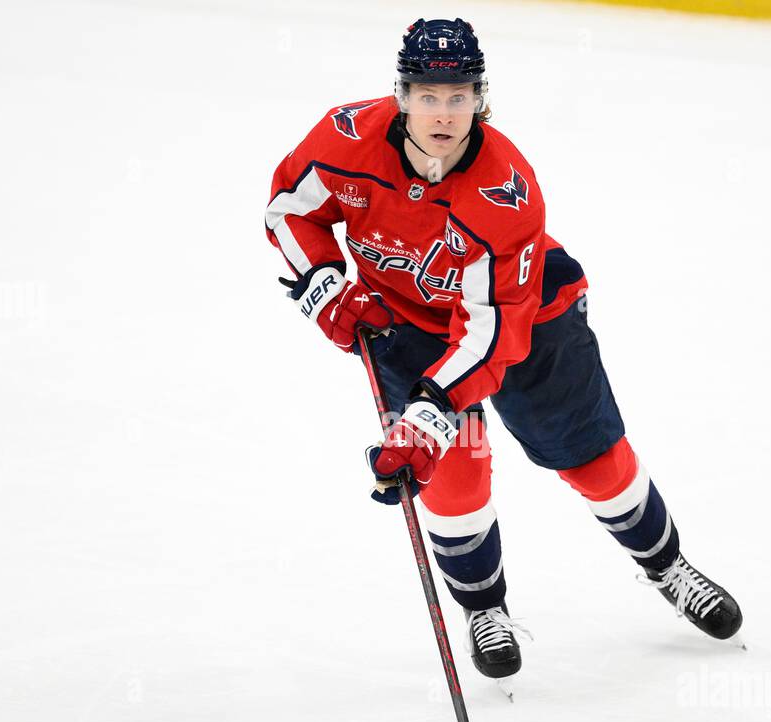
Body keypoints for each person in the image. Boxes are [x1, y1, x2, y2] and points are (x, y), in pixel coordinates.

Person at [265, 18, 742, 681]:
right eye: (428, 95)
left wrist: (430, 411)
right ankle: (484, 609)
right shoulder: (344, 138)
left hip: (525, 323)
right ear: (401, 95)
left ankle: (667, 566)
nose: (442, 112)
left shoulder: (505, 190)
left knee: (590, 457)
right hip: (402, 324)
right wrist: (322, 283)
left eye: (457, 96)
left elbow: (490, 336)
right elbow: (290, 209)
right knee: (454, 472)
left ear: (480, 100)